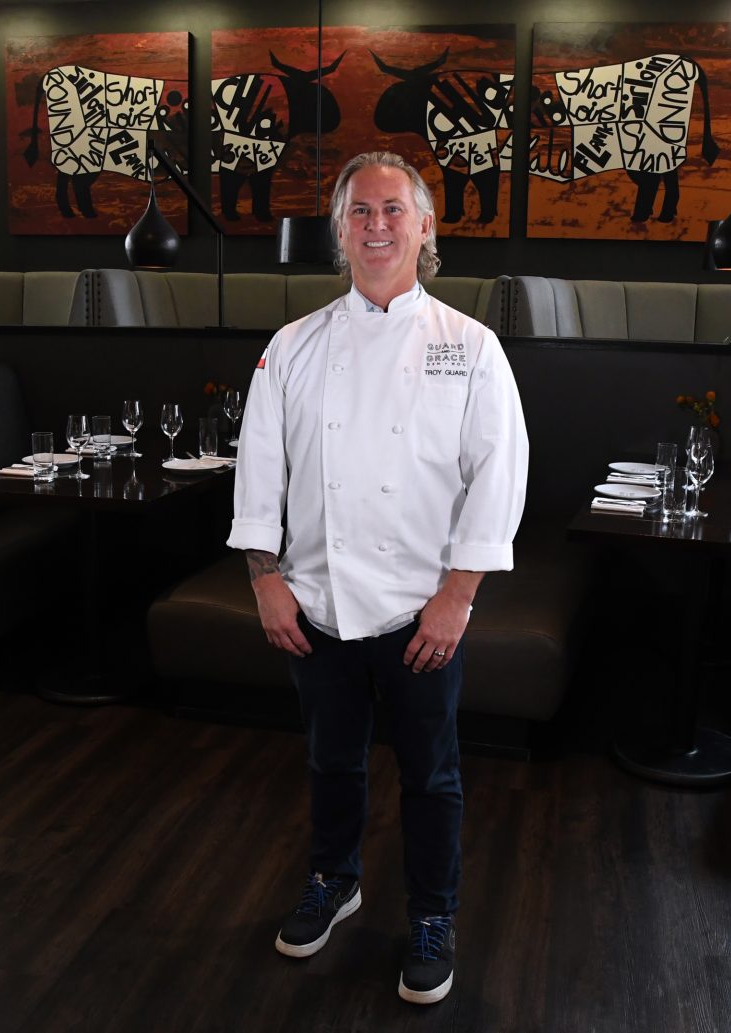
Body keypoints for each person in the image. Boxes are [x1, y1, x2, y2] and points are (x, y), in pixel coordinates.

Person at [226, 151, 528, 1005]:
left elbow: (498, 479)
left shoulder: (471, 348)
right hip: (315, 608)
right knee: (331, 760)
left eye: (395, 210)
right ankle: (334, 877)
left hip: (420, 613)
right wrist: (264, 578)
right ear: (340, 230)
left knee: (431, 774)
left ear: (426, 227)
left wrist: (457, 598)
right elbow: (259, 470)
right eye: (360, 211)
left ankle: (433, 913)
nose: (378, 225)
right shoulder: (292, 345)